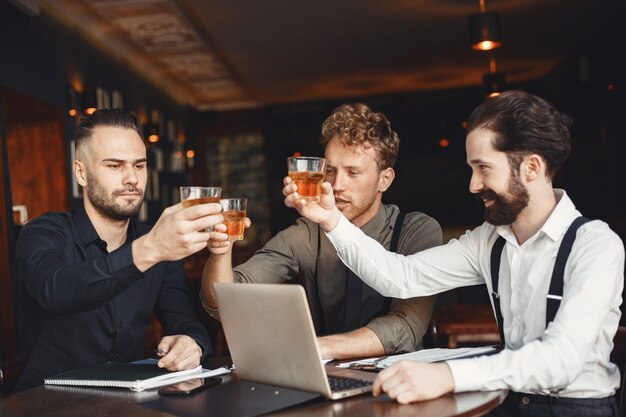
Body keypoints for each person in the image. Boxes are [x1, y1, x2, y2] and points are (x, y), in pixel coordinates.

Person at [284, 91, 625, 416]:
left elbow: (561, 359)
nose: (473, 185)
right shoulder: (488, 241)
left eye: (484, 168)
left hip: (576, 409)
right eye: (471, 169)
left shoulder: (595, 246)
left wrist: (449, 376)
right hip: (502, 399)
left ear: (531, 168)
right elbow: (400, 277)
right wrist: (330, 220)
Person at [201, 103, 442, 360]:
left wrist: (315, 348)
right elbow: (224, 301)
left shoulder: (417, 231)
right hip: (325, 377)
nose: (337, 185)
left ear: (385, 179)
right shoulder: (307, 233)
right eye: (330, 171)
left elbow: (404, 327)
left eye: (353, 172)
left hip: (401, 378)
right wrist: (220, 252)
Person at [14, 109, 221, 392]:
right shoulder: (42, 232)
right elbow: (57, 291)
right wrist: (150, 249)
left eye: (139, 165)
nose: (132, 179)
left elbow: (185, 320)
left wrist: (191, 344)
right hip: (46, 404)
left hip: (126, 403)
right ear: (81, 173)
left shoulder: (156, 241)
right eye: (114, 166)